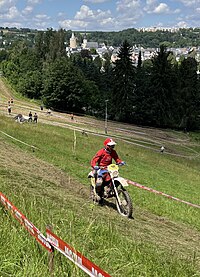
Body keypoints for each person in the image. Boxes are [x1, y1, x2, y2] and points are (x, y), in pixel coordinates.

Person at [90, 138, 125, 204]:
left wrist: (120, 162)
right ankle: (98, 193)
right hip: (101, 169)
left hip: (110, 168)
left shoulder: (113, 152)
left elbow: (117, 159)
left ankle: (110, 190)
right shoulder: (101, 152)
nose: (112, 147)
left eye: (113, 146)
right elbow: (94, 160)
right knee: (99, 183)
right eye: (110, 146)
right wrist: (94, 166)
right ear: (106, 146)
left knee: (115, 178)